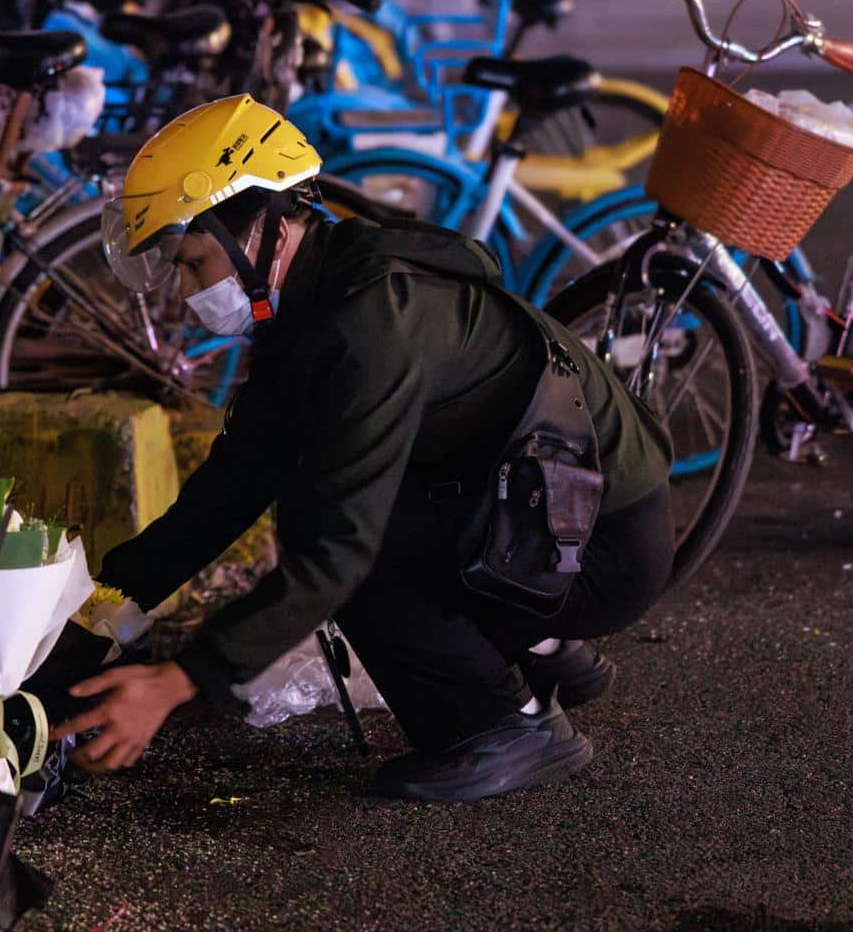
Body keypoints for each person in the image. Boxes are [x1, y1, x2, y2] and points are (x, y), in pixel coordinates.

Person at [49, 95, 675, 801]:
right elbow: (236, 480)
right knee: (329, 498)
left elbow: (337, 554)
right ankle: (545, 648)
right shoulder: (314, 301)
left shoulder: (364, 326)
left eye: (194, 264)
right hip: (545, 509)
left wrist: (178, 679)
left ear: (267, 231)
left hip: (602, 544)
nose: (190, 292)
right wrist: (104, 609)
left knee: (346, 539)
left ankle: (506, 724)